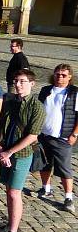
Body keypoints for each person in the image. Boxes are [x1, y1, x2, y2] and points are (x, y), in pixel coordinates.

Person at [0, 69, 45, 232]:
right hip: (5, 152)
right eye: (16, 81)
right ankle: (10, 223)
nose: (18, 85)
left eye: (22, 81)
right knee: (8, 190)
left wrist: (9, 152)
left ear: (32, 84)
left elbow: (32, 135)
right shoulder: (9, 101)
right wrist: (0, 147)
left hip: (22, 155)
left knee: (15, 193)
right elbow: (0, 126)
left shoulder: (36, 107)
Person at [37, 64, 78, 212]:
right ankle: (45, 188)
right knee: (44, 164)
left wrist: (74, 134)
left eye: (63, 75)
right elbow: (39, 110)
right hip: (44, 135)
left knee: (64, 168)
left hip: (63, 136)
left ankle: (68, 198)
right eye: (57, 74)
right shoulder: (46, 90)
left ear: (70, 77)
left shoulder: (74, 92)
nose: (59, 77)